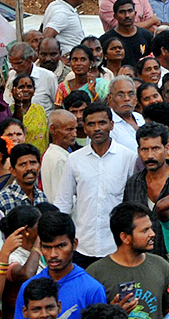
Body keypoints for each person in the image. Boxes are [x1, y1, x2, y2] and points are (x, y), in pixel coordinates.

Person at [52, 103, 139, 264]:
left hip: (116, 246)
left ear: (111, 125)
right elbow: (63, 202)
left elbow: (133, 203)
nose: (97, 128)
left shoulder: (128, 157)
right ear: (84, 128)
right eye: (91, 124)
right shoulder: (74, 160)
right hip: (82, 245)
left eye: (102, 123)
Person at [86, 203, 169, 319]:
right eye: (145, 230)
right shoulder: (95, 273)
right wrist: (112, 314)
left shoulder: (161, 266)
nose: (152, 234)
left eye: (151, 228)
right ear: (125, 238)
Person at [14, 212, 108, 319]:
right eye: (47, 247)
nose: (53, 254)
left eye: (61, 246)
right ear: (40, 247)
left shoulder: (92, 290)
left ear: (74, 244)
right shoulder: (27, 287)